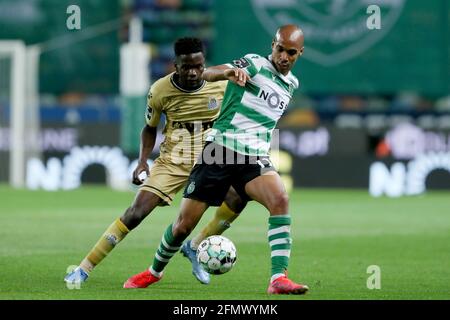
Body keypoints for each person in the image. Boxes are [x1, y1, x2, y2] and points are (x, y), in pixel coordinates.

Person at [123, 25, 309, 294]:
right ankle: (154, 272)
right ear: (273, 45)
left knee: (280, 198)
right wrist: (230, 72)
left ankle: (278, 279)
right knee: (183, 225)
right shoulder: (254, 64)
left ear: (299, 53)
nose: (284, 56)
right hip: (220, 150)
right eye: (280, 49)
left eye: (291, 52)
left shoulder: (292, 84)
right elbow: (208, 74)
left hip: (254, 157)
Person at [64, 37, 247, 286]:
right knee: (136, 213)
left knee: (238, 198)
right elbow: (149, 128)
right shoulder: (160, 90)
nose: (193, 72)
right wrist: (142, 161)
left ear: (204, 64)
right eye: (186, 67)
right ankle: (84, 268)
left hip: (211, 160)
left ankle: (195, 246)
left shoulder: (222, 83)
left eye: (198, 66)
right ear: (175, 65)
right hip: (173, 161)